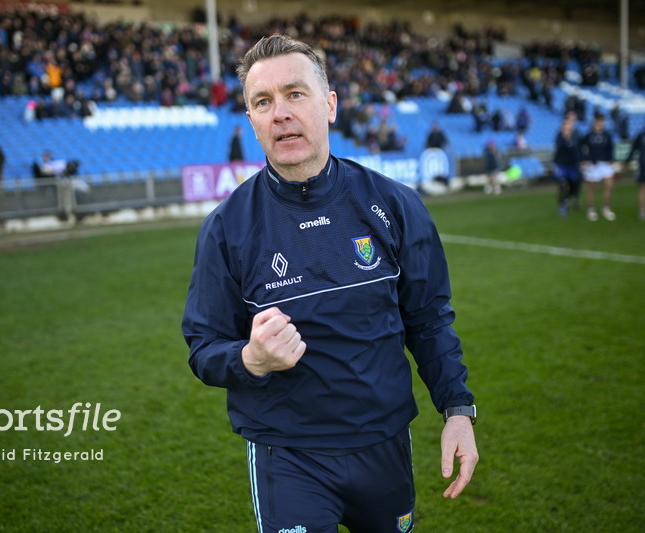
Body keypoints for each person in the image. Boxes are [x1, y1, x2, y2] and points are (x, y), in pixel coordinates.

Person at [182, 34, 477, 533]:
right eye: (263, 102)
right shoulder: (226, 228)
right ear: (252, 122)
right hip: (288, 454)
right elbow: (203, 346)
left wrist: (457, 410)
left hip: (383, 443)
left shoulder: (395, 205)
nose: (280, 113)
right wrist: (249, 360)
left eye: (295, 94)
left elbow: (428, 320)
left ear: (330, 104)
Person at [580, 114, 616, 221]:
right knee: (591, 188)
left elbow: (611, 148)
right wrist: (584, 159)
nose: (600, 124)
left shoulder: (607, 135)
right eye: (598, 122)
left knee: (609, 185)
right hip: (592, 164)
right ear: (594, 123)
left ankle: (606, 207)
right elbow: (581, 147)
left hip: (605, 164)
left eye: (602, 122)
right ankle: (591, 209)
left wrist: (611, 159)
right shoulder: (588, 136)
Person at [624, 114, 645, 220]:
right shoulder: (641, 135)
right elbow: (634, 149)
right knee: (644, 188)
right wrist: (626, 161)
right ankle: (642, 210)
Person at [553, 116, 583, 217]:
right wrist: (565, 139)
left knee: (574, 183)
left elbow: (577, 150)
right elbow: (559, 149)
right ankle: (563, 205)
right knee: (563, 184)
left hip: (573, 165)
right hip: (561, 164)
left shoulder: (576, 137)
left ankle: (572, 198)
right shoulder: (559, 137)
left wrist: (582, 161)